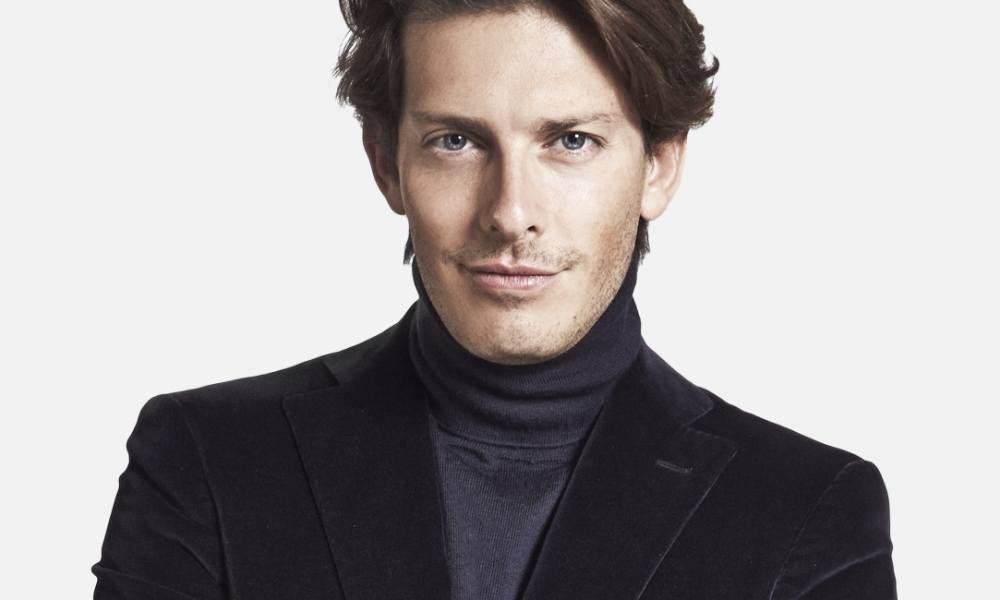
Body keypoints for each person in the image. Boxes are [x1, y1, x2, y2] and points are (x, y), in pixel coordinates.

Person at [94, 0, 896, 598]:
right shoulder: (208, 460)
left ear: (659, 166)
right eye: (456, 141)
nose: (510, 212)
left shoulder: (806, 508)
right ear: (387, 165)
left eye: (571, 140)